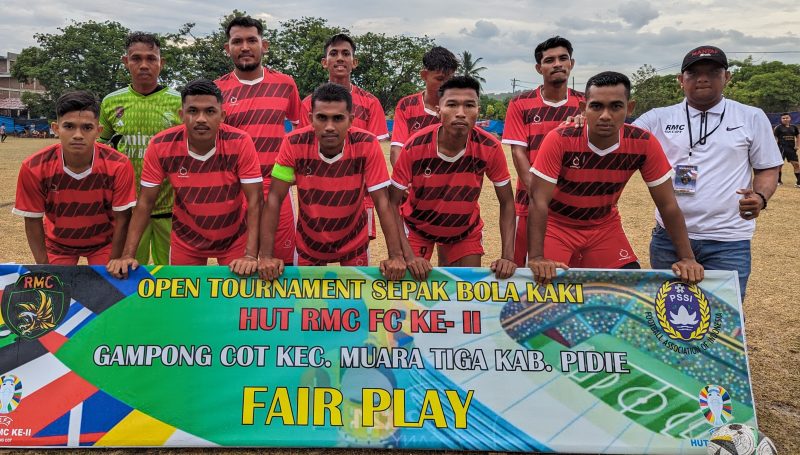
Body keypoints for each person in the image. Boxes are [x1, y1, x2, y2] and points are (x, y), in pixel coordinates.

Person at [528, 71, 704, 285]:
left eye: (615, 106)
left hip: (603, 227)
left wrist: (687, 258)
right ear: (584, 108)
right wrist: (537, 257)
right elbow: (538, 200)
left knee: (627, 287)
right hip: (557, 226)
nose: (605, 115)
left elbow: (667, 204)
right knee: (547, 289)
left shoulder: (643, 143)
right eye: (596, 106)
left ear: (629, 108)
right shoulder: (559, 139)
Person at [634, 46, 782, 299]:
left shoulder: (751, 116)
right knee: (668, 316)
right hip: (668, 237)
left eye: (713, 72)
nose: (703, 78)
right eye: (693, 73)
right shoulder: (658, 118)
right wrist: (580, 123)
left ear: (727, 77)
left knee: (723, 320)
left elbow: (768, 167)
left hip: (728, 239)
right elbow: (618, 138)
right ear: (681, 80)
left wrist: (760, 197)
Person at [106, 79, 263, 278]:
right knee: (183, 301)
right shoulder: (161, 145)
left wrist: (250, 255)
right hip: (186, 240)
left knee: (233, 303)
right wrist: (127, 255)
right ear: (181, 115)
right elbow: (145, 202)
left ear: (222, 115)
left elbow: (255, 200)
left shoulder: (240, 142)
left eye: (210, 111)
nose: (201, 119)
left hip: (234, 238)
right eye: (193, 111)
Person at [258, 83, 406, 281]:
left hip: (354, 244)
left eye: (338, 118)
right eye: (322, 118)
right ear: (310, 119)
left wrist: (395, 256)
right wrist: (266, 256)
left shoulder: (367, 144)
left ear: (351, 120)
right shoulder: (292, 143)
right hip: (308, 244)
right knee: (307, 308)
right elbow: (275, 198)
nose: (329, 126)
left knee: (356, 307)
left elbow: (382, 202)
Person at [389, 76, 516, 281]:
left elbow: (508, 202)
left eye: (469, 105)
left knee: (464, 293)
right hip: (417, 227)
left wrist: (508, 257)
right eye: (452, 104)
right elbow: (392, 203)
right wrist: (409, 256)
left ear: (478, 110)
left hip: (464, 230)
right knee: (411, 295)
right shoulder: (414, 146)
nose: (460, 113)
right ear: (439, 110)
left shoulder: (490, 147)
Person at [215, 16, 304, 266]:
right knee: (236, 265)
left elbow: (300, 129)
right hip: (234, 188)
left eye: (252, 40)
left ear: (263, 45)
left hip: (276, 186)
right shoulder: (216, 91)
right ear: (227, 48)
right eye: (237, 41)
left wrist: (295, 168)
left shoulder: (285, 84)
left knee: (280, 263)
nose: (245, 46)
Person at [13, 91, 136, 265]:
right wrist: (44, 266)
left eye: (87, 127)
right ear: (56, 129)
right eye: (69, 126)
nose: (78, 135)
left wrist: (115, 260)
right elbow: (32, 220)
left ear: (98, 131)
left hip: (104, 243)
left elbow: (123, 218)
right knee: (58, 291)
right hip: (58, 244)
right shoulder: (33, 167)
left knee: (108, 289)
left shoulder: (119, 165)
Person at [99, 32, 182, 266]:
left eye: (151, 58)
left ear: (161, 63)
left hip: (172, 209)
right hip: (129, 210)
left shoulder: (180, 102)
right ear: (126, 61)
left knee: (175, 279)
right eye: (136, 58)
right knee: (129, 276)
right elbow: (101, 147)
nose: (144, 65)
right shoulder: (111, 102)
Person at [502, 36, 585, 267]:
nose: (557, 63)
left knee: (568, 272)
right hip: (529, 201)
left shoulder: (586, 104)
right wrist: (539, 195)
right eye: (550, 60)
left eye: (563, 58)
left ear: (572, 63)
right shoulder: (520, 103)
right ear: (540, 68)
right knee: (524, 270)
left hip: (573, 204)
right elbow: (519, 152)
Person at [302, 33, 389, 241]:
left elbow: (374, 153)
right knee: (314, 253)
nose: (340, 58)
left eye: (345, 53)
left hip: (361, 197)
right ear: (325, 62)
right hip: (319, 196)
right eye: (334, 53)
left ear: (354, 62)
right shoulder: (308, 104)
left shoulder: (371, 103)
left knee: (359, 256)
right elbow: (307, 149)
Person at [389, 46, 459, 166]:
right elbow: (397, 149)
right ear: (424, 75)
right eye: (440, 79)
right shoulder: (407, 106)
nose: (446, 85)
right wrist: (406, 180)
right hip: (415, 179)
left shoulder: (459, 108)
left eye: (450, 79)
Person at [773, 112, 799, 186]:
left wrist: (797, 145)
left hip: (791, 149)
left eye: (787, 118)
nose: (785, 119)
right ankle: (778, 181)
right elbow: (775, 138)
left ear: (790, 118)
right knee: (779, 165)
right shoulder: (778, 128)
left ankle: (798, 183)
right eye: (783, 118)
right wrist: (774, 147)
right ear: (781, 119)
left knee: (796, 164)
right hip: (781, 149)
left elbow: (798, 136)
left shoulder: (794, 127)